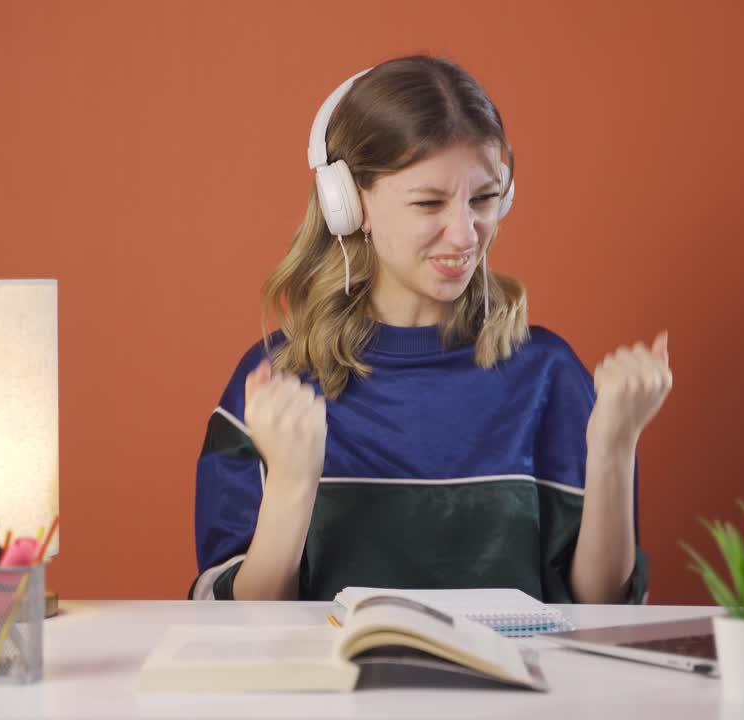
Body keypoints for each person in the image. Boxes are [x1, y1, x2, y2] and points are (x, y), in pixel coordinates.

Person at [191, 55, 671, 604]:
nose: (465, 234)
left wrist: (613, 445)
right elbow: (235, 624)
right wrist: (291, 485)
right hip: (337, 690)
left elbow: (600, 609)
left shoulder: (550, 375)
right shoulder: (277, 388)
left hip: (518, 690)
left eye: (484, 199)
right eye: (429, 203)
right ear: (350, 205)